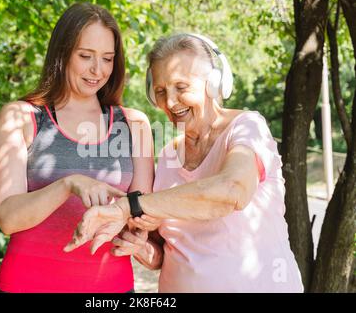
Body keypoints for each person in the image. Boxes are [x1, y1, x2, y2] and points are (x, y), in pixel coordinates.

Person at [64, 33, 304, 293]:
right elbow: (164, 255)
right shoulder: (168, 155)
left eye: (181, 88)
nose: (169, 102)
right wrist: (142, 247)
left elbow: (231, 192)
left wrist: (128, 206)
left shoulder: (247, 128)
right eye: (160, 91)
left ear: (213, 83)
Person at [0, 2, 154, 293]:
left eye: (107, 58)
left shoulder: (134, 124)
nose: (97, 70)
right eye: (86, 56)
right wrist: (67, 184)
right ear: (62, 53)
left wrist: (138, 233)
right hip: (28, 284)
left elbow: (143, 214)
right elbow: (8, 218)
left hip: (110, 289)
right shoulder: (21, 117)